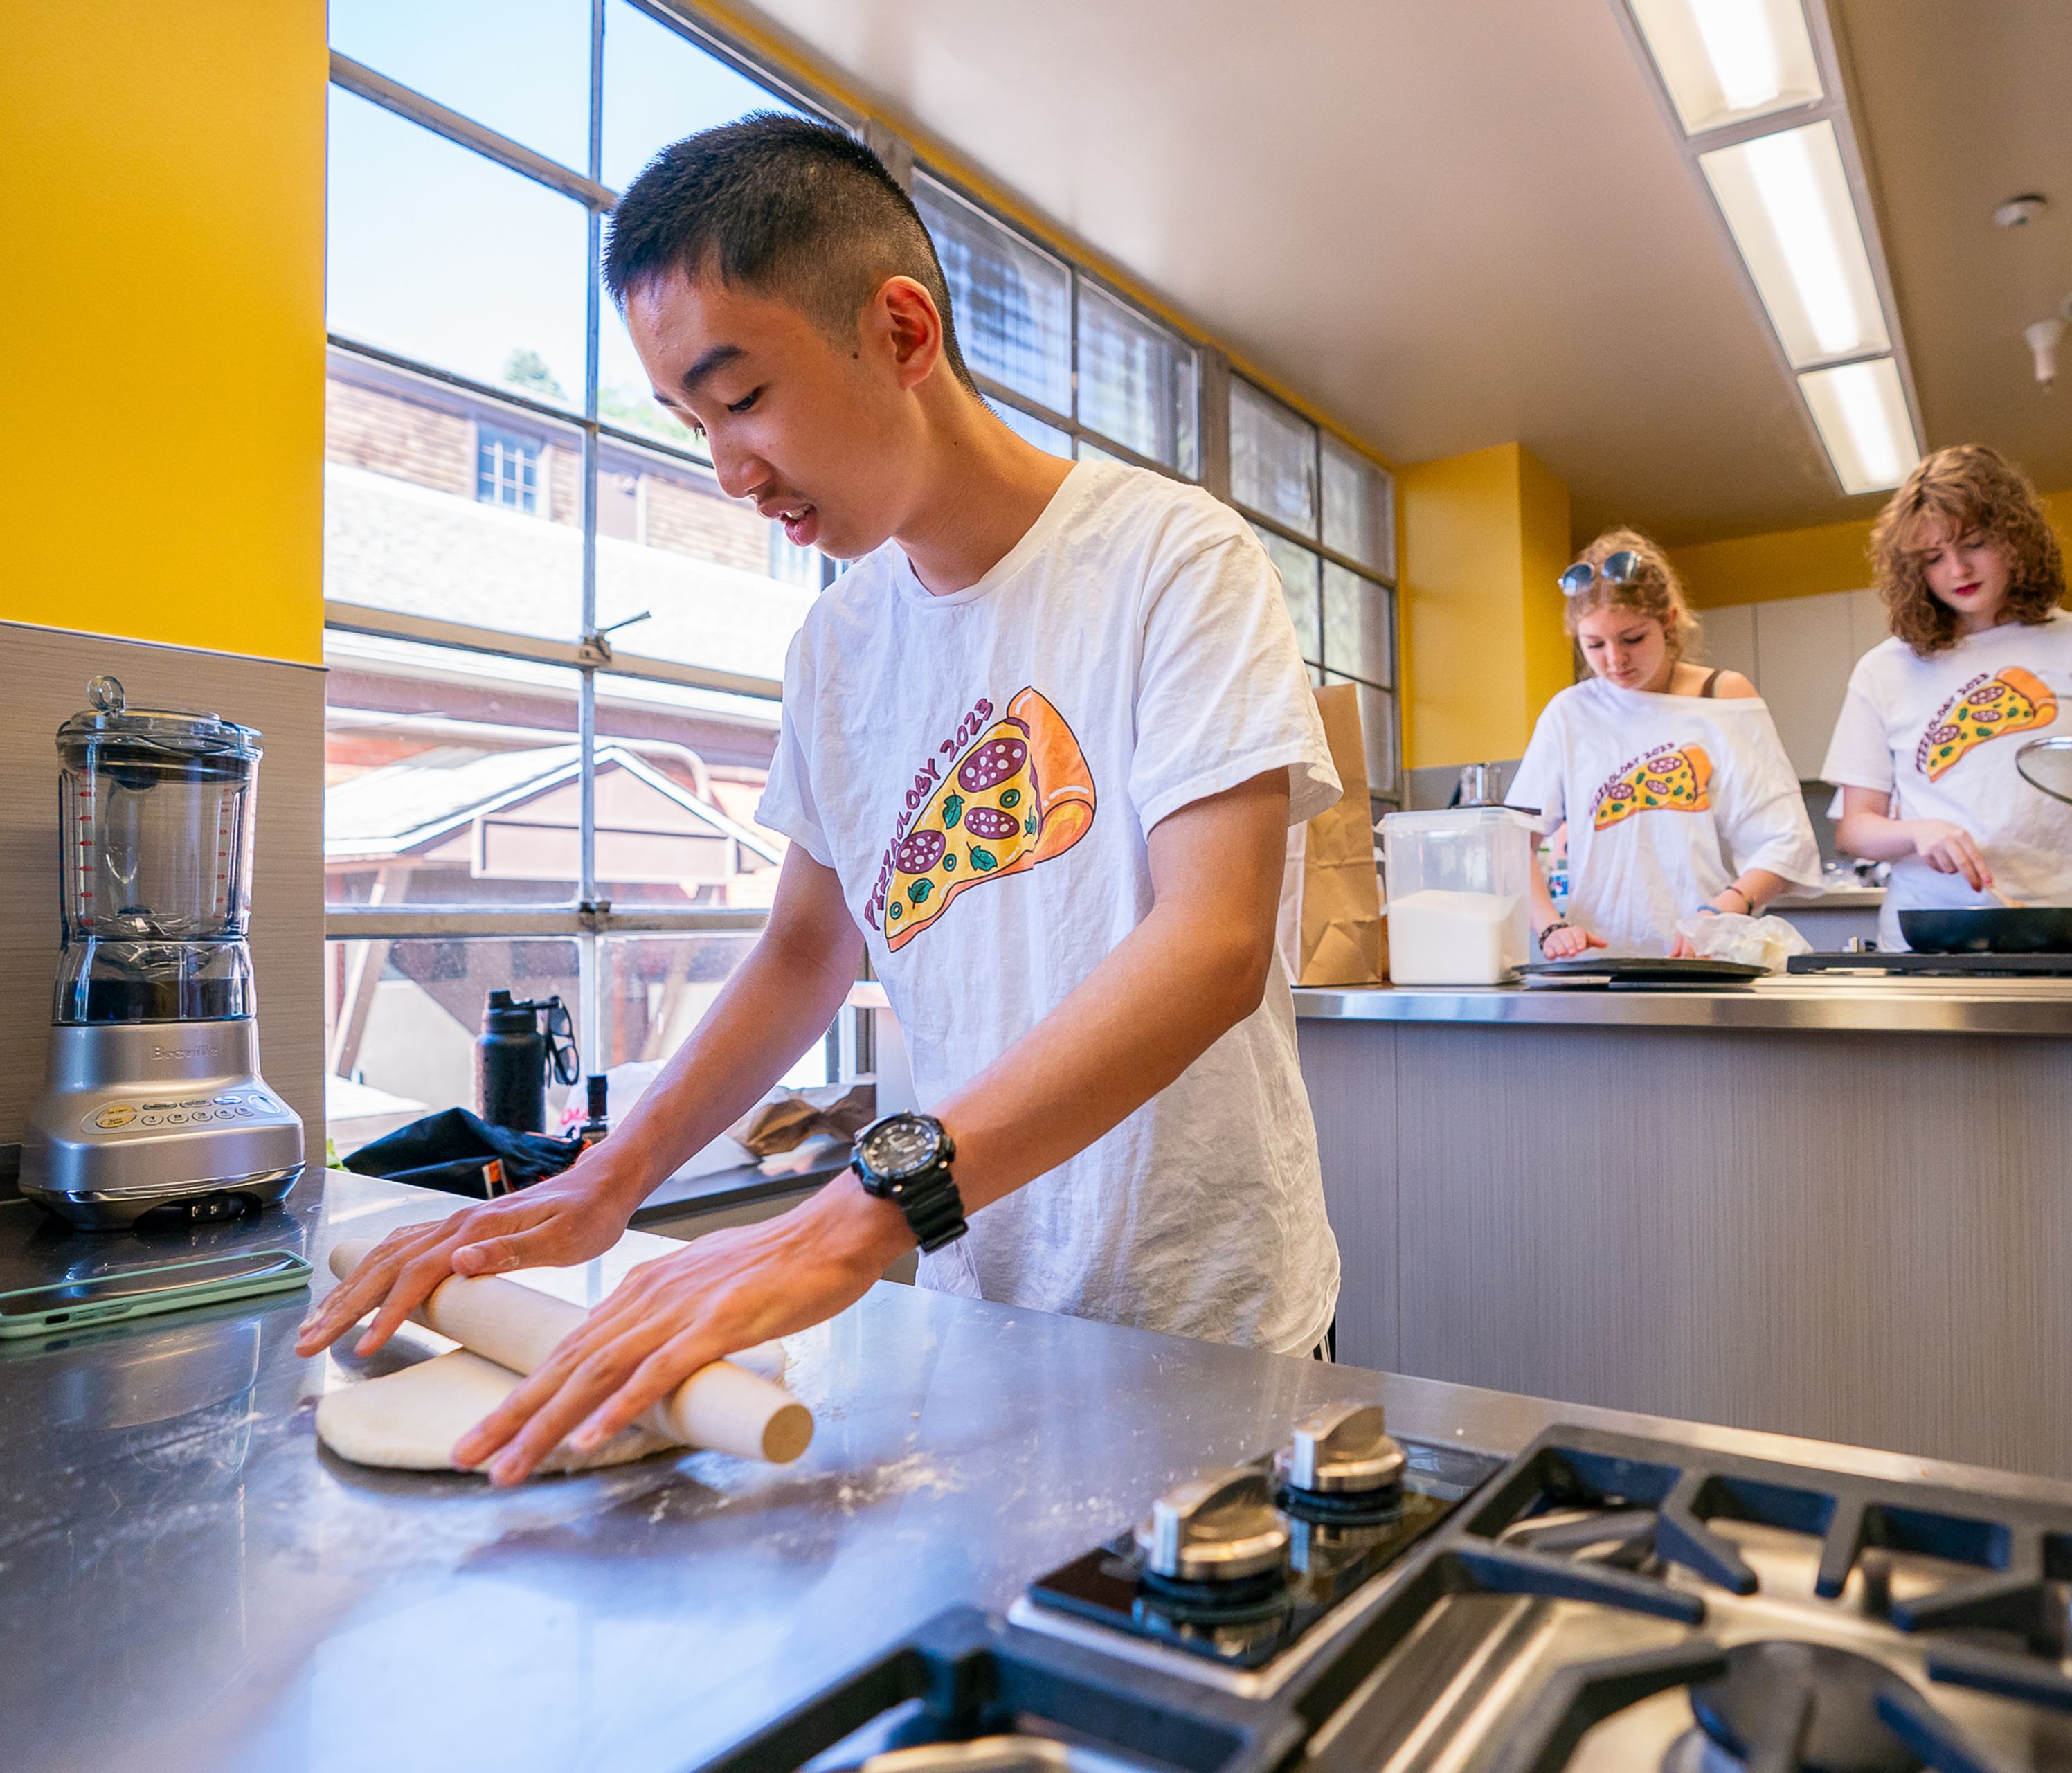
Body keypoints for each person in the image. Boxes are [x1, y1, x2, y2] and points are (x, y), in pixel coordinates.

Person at [298, 116, 1342, 1482]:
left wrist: (854, 1215)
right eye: (692, 425)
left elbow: (1208, 943)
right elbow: (806, 948)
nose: (729, 473)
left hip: (1214, 1324)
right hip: (991, 1318)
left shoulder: (1170, 557)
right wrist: (605, 1180)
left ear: (902, 332)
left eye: (741, 400)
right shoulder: (840, 647)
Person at [1821, 445, 2072, 953]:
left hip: (2065, 931)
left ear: (2016, 537)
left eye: (1975, 543)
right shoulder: (1884, 668)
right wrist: (1918, 832)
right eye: (1933, 558)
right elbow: (1854, 829)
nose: (1957, 570)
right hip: (1928, 935)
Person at [1509, 529, 1821, 959]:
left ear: (1669, 620)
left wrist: (1722, 912)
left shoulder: (1722, 696)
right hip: (1600, 966)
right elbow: (1510, 841)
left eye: (1632, 639)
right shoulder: (1570, 714)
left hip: (1710, 958)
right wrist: (1550, 928)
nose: (1615, 660)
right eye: (1594, 644)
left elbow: (1787, 841)